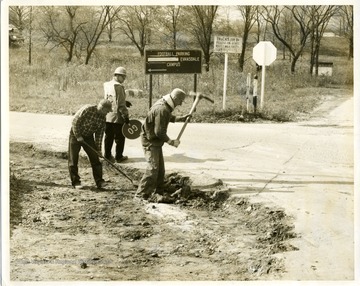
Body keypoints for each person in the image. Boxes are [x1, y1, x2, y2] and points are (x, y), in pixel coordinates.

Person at [135, 88, 191, 199]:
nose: (180, 104)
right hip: (150, 141)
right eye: (180, 101)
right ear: (175, 98)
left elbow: (167, 117)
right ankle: (141, 194)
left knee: (160, 169)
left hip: (154, 139)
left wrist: (181, 118)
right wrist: (171, 142)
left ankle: (159, 190)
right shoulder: (162, 109)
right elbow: (159, 132)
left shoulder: (165, 104)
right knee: (153, 168)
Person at [68, 99, 112, 189]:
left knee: (95, 159)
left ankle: (99, 181)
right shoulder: (87, 109)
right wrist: (78, 135)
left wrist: (98, 150)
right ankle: (76, 181)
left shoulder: (102, 119)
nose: (107, 113)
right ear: (102, 108)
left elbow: (99, 136)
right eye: (107, 111)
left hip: (88, 137)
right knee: (73, 159)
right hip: (75, 134)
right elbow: (74, 121)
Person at [103, 66, 130, 163]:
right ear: (118, 76)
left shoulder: (107, 84)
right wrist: (125, 116)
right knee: (120, 137)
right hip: (117, 116)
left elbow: (110, 99)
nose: (124, 79)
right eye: (123, 77)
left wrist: (124, 101)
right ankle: (119, 157)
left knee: (108, 136)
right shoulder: (119, 86)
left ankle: (107, 155)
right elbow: (121, 104)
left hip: (107, 115)